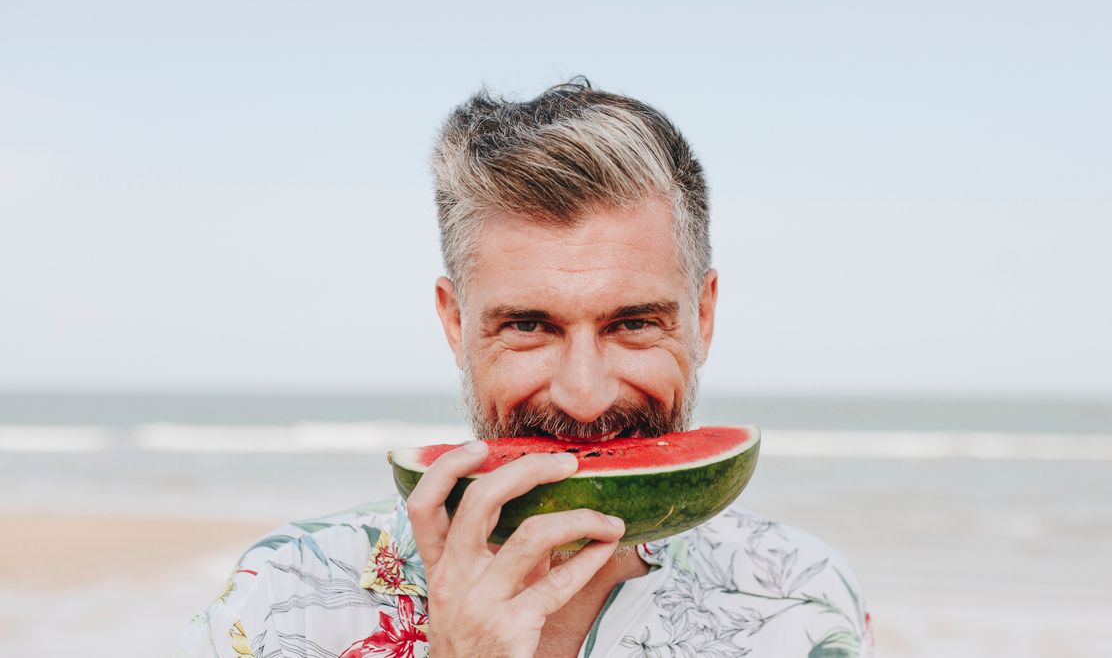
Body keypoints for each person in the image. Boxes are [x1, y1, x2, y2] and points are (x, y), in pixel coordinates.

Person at [177, 80, 874, 658]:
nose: (582, 396)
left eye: (633, 324)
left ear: (704, 318)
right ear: (456, 324)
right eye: (528, 326)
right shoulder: (282, 600)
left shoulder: (802, 596)